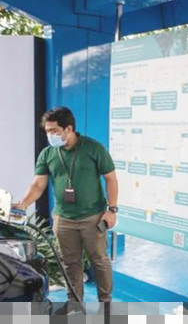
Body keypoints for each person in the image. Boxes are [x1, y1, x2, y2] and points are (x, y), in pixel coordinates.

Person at [14, 106, 118, 305]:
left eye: (54, 131)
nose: (50, 135)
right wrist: (23, 204)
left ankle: (105, 303)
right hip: (63, 218)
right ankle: (74, 304)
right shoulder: (48, 154)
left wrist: (112, 210)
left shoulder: (93, 148)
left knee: (99, 260)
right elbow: (38, 184)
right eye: (47, 131)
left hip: (93, 217)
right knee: (69, 262)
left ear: (68, 129)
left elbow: (111, 179)